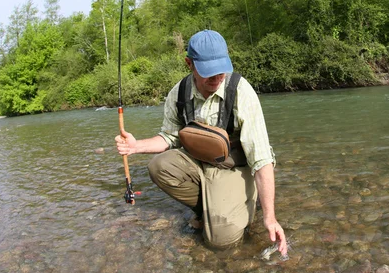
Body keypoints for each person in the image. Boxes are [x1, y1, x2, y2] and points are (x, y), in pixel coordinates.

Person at [115, 29, 287, 254]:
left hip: (235, 168)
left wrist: (270, 217)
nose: (217, 78)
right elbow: (170, 137)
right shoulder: (179, 93)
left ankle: (247, 196)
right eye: (209, 72)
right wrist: (136, 146)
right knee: (159, 166)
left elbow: (261, 157)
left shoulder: (242, 92)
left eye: (221, 71)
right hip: (198, 163)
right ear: (190, 64)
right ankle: (210, 207)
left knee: (221, 242)